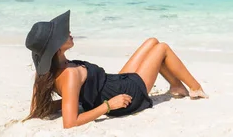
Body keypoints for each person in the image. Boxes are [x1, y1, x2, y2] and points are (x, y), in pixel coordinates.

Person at [24, 10, 208, 129]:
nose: (70, 32)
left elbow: (41, 106)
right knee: (162, 48)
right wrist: (108, 106)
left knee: (152, 41)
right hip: (125, 95)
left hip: (115, 82)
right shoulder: (70, 74)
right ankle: (195, 88)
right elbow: (70, 122)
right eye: (64, 34)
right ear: (56, 47)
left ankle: (176, 86)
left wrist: (69, 103)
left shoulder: (51, 70)